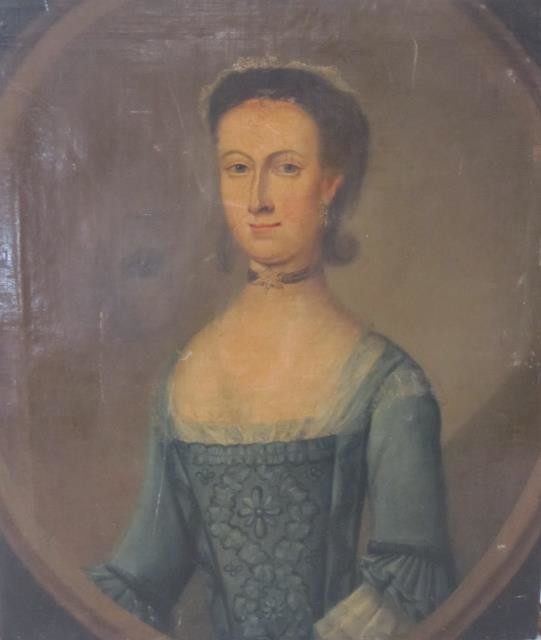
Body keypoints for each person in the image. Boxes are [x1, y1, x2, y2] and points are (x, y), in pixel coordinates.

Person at [86, 63, 454, 640]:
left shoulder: (388, 383)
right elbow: (142, 577)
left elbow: (412, 584)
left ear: (330, 182)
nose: (257, 200)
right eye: (238, 168)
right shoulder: (185, 377)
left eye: (286, 168)